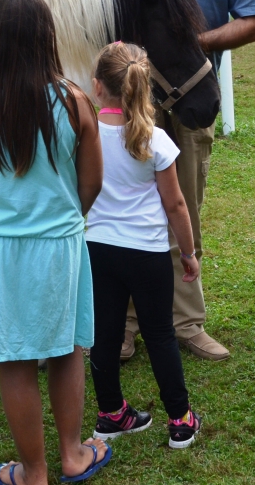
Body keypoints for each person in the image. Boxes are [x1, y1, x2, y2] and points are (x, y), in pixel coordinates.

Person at [101, 0, 255, 363]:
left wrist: (193, 47)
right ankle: (126, 327)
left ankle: (186, 323)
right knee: (125, 210)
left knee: (183, 208)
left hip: (192, 100)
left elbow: (253, 22)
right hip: (128, 102)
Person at [0, 0, 109, 485]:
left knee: (13, 360)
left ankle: (32, 472)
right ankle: (73, 455)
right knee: (65, 351)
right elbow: (92, 182)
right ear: (48, 38)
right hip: (56, 244)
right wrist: (62, 215)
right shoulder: (75, 101)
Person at [86, 42, 203, 450]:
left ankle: (111, 414)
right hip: (148, 253)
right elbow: (176, 204)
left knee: (104, 333)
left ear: (97, 87)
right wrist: (188, 254)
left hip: (96, 248)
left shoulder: (83, 133)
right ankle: (181, 421)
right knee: (159, 335)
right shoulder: (156, 139)